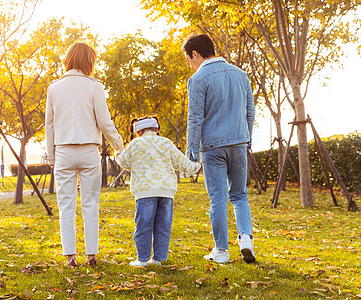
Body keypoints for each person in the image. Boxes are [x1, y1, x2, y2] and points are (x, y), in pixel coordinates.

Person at [45, 41, 124, 267]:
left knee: (66, 206)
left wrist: (50, 156)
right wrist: (120, 146)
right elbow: (104, 122)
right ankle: (91, 255)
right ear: (88, 61)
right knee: (90, 203)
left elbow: (49, 125)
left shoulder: (54, 87)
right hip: (89, 151)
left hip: (63, 151)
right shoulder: (94, 86)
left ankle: (70, 257)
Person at [182, 34, 256, 263]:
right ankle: (245, 239)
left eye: (188, 59)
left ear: (195, 53)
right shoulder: (240, 74)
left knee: (218, 198)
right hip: (239, 143)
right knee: (240, 196)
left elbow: (195, 118)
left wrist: (191, 153)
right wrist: (247, 140)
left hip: (213, 147)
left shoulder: (198, 79)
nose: (190, 64)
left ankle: (222, 251)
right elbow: (250, 110)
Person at [116, 116, 201, 267]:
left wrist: (117, 154)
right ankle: (158, 259)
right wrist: (195, 167)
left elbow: (124, 162)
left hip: (145, 192)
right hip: (166, 192)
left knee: (144, 226)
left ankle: (142, 259)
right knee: (163, 226)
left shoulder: (135, 144)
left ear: (138, 132)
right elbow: (181, 163)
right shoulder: (166, 143)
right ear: (156, 129)